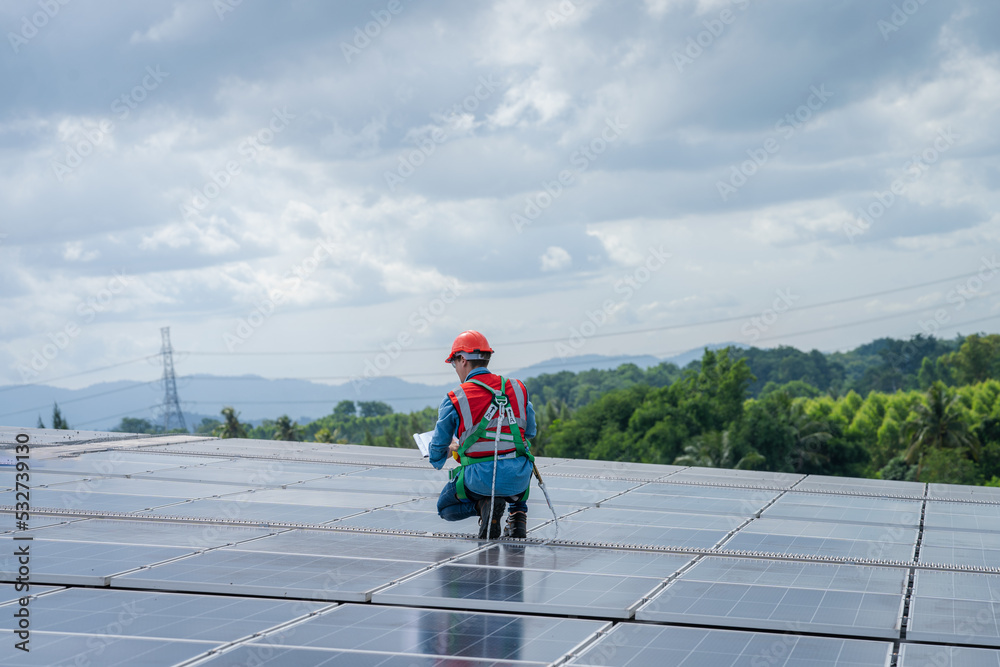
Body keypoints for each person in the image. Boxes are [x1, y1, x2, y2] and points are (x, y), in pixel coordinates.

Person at [428, 330, 536, 539]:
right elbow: (529, 432)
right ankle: (518, 516)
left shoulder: (455, 397)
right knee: (519, 454)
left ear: (462, 359)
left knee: (445, 508)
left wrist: (450, 449)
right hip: (518, 482)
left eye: (454, 363)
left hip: (479, 481)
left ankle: (483, 505)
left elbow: (435, 456)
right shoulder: (518, 388)